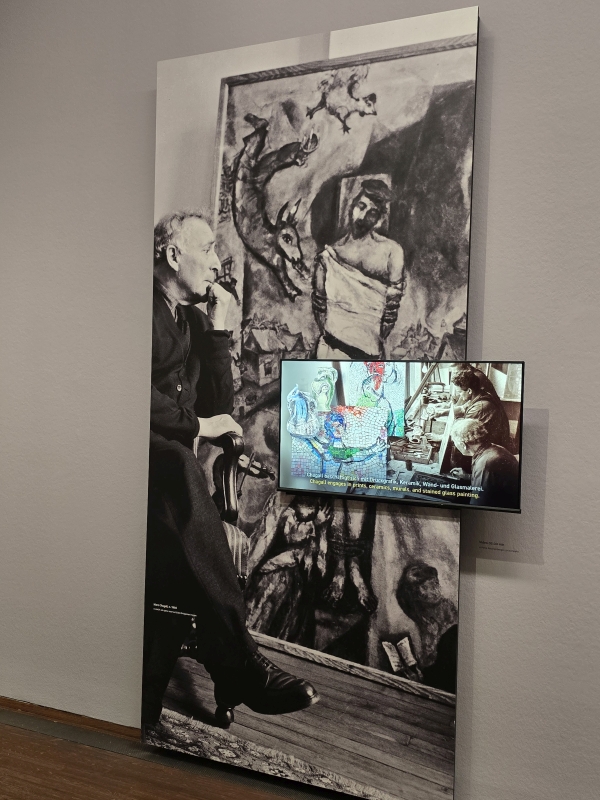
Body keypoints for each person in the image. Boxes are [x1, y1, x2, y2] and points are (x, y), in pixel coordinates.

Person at [143, 209, 318, 729]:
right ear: (173, 255)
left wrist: (219, 331)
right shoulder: (136, 307)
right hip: (129, 459)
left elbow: (222, 408)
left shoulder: (196, 321)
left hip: (169, 480)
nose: (217, 263)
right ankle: (240, 661)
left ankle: (206, 675)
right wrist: (196, 427)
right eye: (208, 250)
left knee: (179, 521)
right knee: (178, 460)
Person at [312, 179, 405, 359]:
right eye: (360, 206)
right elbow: (319, 306)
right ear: (352, 206)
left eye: (372, 213)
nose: (362, 217)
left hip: (369, 353)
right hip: (330, 349)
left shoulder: (392, 252)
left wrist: (368, 341)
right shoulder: (328, 257)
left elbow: (391, 311)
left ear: (379, 219)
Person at [451, 418, 520, 509]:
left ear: (463, 445)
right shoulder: (494, 448)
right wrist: (467, 476)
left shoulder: (485, 464)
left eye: (454, 443)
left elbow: (478, 504)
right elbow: (492, 482)